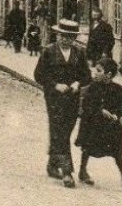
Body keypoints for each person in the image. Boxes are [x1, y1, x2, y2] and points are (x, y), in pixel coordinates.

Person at [33, 18, 90, 188]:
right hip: (54, 98)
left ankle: (52, 164)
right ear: (57, 35)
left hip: (72, 98)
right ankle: (67, 172)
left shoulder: (79, 53)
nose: (66, 39)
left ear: (74, 38)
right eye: (63, 36)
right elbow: (39, 75)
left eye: (70, 37)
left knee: (64, 131)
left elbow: (86, 75)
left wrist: (77, 83)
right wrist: (55, 85)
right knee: (60, 131)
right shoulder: (49, 52)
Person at [75, 58, 122, 190]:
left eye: (99, 71)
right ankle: (82, 171)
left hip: (110, 126)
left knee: (117, 150)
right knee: (87, 148)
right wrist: (100, 110)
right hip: (92, 123)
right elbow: (86, 104)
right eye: (95, 70)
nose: (95, 73)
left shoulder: (117, 89)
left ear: (109, 75)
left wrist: (116, 115)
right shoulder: (92, 87)